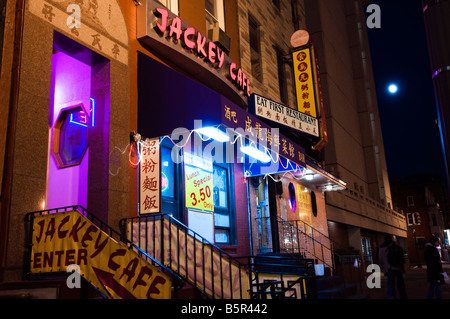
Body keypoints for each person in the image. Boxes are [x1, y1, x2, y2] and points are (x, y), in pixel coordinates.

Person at [378, 234, 407, 299]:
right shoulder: (396, 245)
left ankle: (391, 296)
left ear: (384, 239)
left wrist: (382, 268)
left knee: (391, 283)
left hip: (389, 268)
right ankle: (403, 295)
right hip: (398, 267)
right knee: (400, 283)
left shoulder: (382, 247)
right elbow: (400, 256)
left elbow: (380, 259)